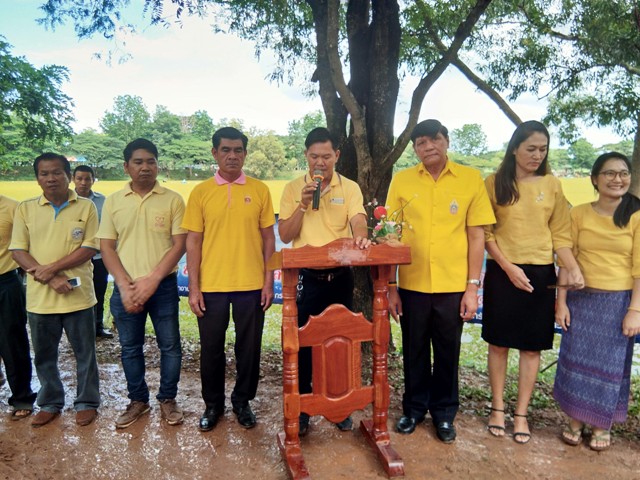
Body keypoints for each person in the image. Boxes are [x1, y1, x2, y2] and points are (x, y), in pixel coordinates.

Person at [386, 119, 495, 444]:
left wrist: (472, 287)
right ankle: (414, 409)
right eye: (420, 143)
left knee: (448, 352)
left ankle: (445, 413)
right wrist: (391, 286)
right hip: (412, 284)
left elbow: (476, 236)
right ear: (415, 149)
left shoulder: (470, 179)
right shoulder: (402, 180)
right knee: (414, 350)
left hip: (453, 286)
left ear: (446, 141)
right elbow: (391, 235)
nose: (428, 146)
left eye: (434, 139)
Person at [481, 121, 584, 444]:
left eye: (543, 149)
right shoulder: (494, 183)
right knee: (498, 344)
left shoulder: (552, 184)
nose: (537, 155)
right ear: (515, 148)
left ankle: (521, 413)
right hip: (502, 271)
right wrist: (508, 267)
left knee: (531, 347)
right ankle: (497, 407)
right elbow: (486, 233)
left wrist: (572, 268)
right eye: (531, 149)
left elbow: (561, 234)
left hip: (540, 274)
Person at [183, 127, 275, 431]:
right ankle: (213, 405)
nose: (232, 156)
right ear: (215, 153)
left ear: (245, 154)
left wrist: (268, 282)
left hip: (251, 285)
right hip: (211, 286)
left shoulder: (260, 190)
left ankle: (242, 401)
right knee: (211, 349)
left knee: (249, 349)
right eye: (225, 150)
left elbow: (268, 239)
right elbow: (193, 241)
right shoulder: (201, 192)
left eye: (238, 150)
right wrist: (194, 287)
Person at [279, 127, 370, 435]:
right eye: (314, 156)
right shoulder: (293, 188)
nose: (320, 162)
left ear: (337, 156)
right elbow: (285, 235)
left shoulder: (350, 187)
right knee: (303, 343)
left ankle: (338, 405)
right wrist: (302, 205)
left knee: (339, 343)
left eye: (326, 157)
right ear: (306, 155)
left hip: (340, 277)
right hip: (306, 279)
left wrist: (361, 237)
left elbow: (358, 219)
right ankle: (304, 408)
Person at [97, 138, 187, 429]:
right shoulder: (114, 201)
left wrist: (152, 279)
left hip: (163, 286)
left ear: (158, 165)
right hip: (126, 288)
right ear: (126, 166)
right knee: (129, 347)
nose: (145, 167)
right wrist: (125, 285)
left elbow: (179, 245)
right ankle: (138, 400)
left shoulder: (173, 199)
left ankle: (168, 399)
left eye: (151, 161)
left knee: (170, 346)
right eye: (138, 162)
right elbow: (107, 247)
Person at [554, 152, 640, 451]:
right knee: (575, 362)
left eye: (623, 173)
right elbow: (565, 257)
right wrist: (561, 302)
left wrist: (635, 310)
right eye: (610, 173)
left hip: (618, 303)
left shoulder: (636, 215)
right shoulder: (579, 214)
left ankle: (602, 424)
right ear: (595, 179)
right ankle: (575, 419)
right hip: (581, 300)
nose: (618, 179)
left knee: (610, 368)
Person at [10, 152, 101, 427]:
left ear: (68, 176)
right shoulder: (26, 209)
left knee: (85, 354)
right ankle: (50, 402)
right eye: (44, 173)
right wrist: (50, 278)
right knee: (44, 355)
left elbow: (90, 247)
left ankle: (87, 402)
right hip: (40, 299)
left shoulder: (86, 207)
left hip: (79, 297)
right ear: (37, 178)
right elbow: (18, 250)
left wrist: (52, 268)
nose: (51, 178)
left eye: (57, 172)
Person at [0, 195, 37, 419]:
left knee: (12, 341)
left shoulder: (13, 208)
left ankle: (22, 396)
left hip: (5, 282)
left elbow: (26, 245)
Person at [73, 165, 113, 339]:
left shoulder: (102, 201)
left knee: (99, 291)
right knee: (76, 292)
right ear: (73, 179)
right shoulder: (67, 200)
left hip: (98, 257)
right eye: (79, 178)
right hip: (74, 258)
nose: (83, 182)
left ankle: (97, 326)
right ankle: (78, 329)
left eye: (87, 179)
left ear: (93, 180)